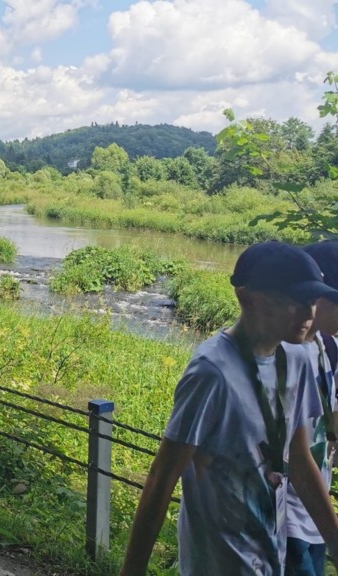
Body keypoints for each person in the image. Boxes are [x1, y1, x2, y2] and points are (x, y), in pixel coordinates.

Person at [119, 241, 338, 575]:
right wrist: (132, 570)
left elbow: (299, 458)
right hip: (219, 562)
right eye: (294, 302)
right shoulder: (212, 372)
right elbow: (163, 476)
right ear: (249, 298)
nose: (308, 314)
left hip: (271, 557)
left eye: (312, 301)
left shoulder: (297, 361)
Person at [286, 241, 338, 575]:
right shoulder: (284, 354)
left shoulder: (328, 346)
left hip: (315, 514)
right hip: (284, 516)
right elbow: (297, 458)